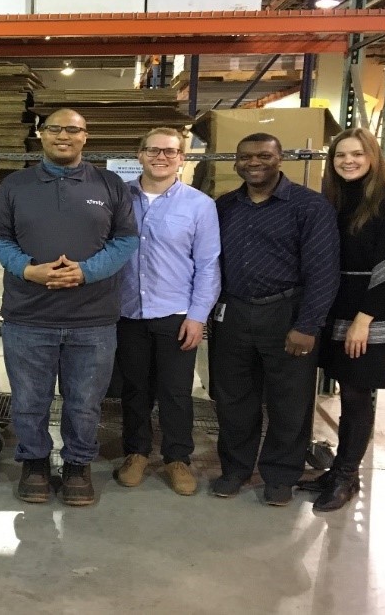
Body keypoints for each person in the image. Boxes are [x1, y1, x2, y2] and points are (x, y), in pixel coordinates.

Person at [0, 108, 138, 507]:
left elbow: (126, 241)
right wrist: (27, 270)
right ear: (41, 135)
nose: (63, 136)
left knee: (84, 404)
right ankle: (34, 463)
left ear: (86, 136)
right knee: (28, 401)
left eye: (73, 129)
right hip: (28, 316)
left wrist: (85, 273)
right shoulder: (15, 185)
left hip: (93, 320)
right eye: (54, 128)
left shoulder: (110, 184)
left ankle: (77, 465)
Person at [299, 128, 385, 512]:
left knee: (357, 393)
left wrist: (363, 320)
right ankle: (337, 469)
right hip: (332, 306)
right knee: (340, 387)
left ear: (372, 157)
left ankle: (346, 476)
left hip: (370, 311)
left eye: (356, 154)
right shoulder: (332, 201)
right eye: (340, 156)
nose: (348, 161)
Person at [210, 132, 340, 507]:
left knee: (290, 401)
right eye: (245, 156)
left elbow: (323, 271)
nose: (254, 162)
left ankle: (281, 475)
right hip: (232, 312)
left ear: (279, 158)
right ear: (236, 161)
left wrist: (307, 325)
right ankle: (234, 470)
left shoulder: (309, 207)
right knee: (233, 398)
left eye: (264, 156)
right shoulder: (225, 206)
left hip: (286, 314)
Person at [113, 127, 221, 495]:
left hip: (176, 313)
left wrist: (198, 316)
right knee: (134, 388)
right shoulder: (119, 198)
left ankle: (177, 458)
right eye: (153, 150)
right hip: (127, 311)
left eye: (171, 152)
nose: (161, 157)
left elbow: (208, 264)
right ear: (139, 154)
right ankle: (137, 453)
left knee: (176, 390)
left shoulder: (199, 205)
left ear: (182, 158)